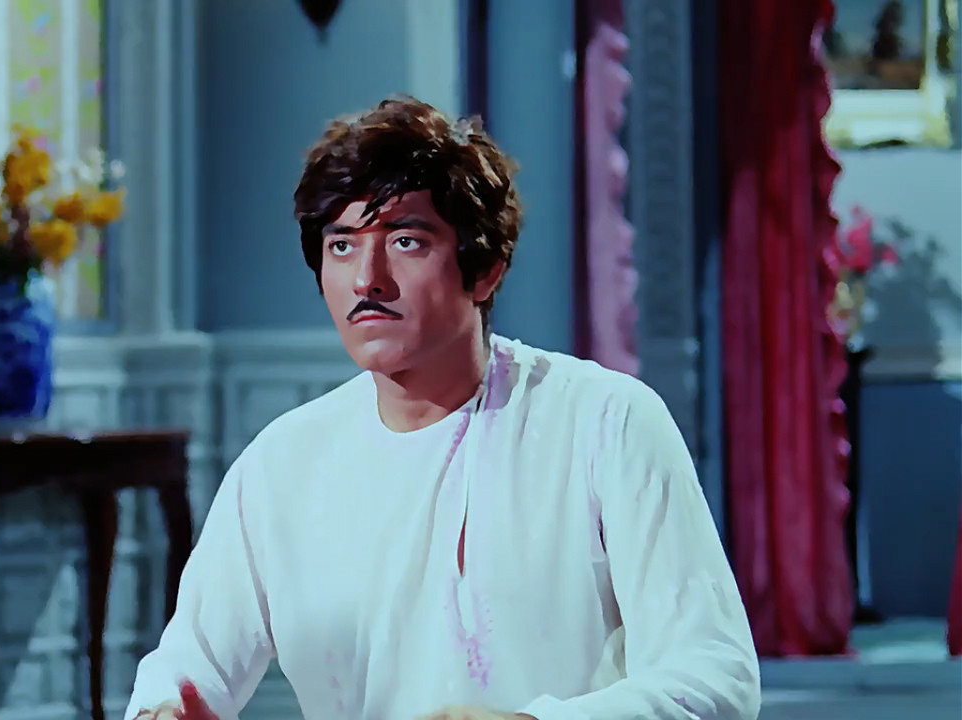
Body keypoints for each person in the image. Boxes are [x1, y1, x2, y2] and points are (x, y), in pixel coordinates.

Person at [125, 96, 760, 720]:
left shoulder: (606, 423)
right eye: (342, 246)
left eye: (405, 241)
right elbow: (188, 667)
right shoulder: (282, 464)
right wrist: (164, 710)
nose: (367, 279)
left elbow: (714, 674)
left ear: (485, 270)